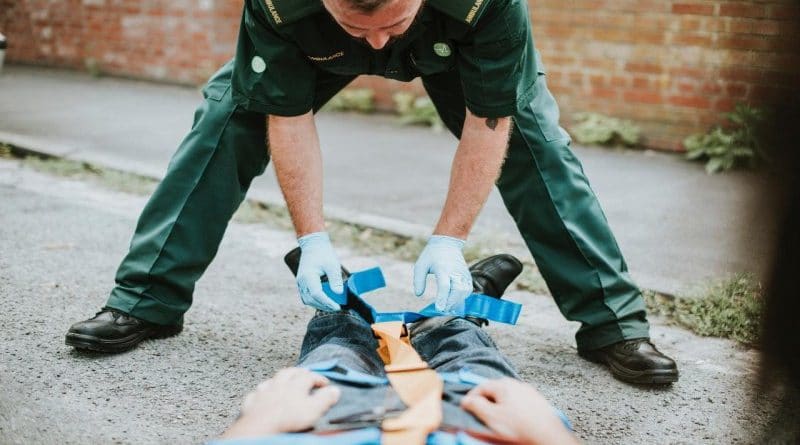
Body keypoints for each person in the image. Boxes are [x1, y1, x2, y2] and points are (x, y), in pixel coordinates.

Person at [65, 0, 678, 385]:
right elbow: (287, 114)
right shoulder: (280, 5)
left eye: (392, 24)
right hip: (315, 42)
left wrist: (448, 239)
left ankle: (613, 324)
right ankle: (145, 299)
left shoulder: (489, 4)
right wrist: (312, 237)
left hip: (453, 41)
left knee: (535, 143)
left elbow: (490, 122)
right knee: (227, 121)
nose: (379, 46)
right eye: (362, 25)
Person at [214, 251, 580, 444]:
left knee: (336, 353)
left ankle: (341, 312)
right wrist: (551, 437)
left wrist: (258, 425)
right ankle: (456, 320)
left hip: (327, 421)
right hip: (478, 422)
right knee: (473, 357)